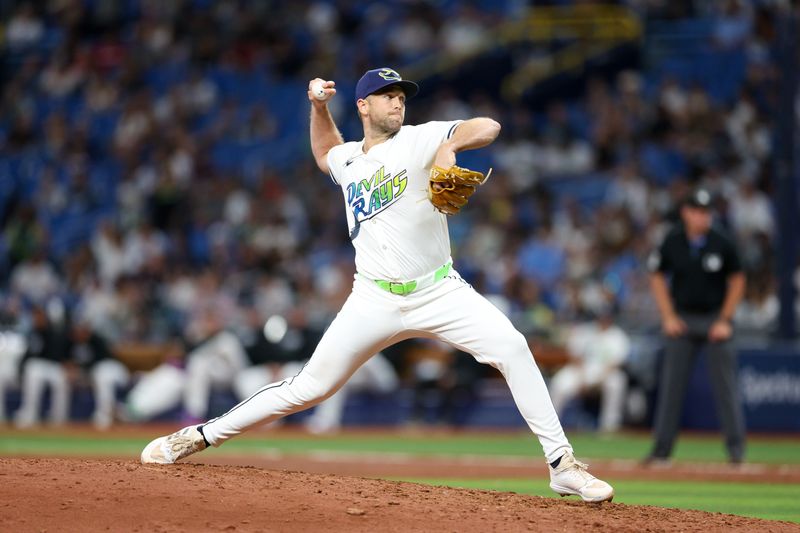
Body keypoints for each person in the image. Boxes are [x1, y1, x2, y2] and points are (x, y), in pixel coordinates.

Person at [141, 67, 614, 503]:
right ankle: (197, 436)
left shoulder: (420, 138)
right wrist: (319, 107)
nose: (397, 103)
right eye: (386, 96)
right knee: (308, 387)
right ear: (363, 106)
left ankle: (561, 464)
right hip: (372, 297)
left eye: (401, 96)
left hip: (439, 291)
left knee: (512, 346)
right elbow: (325, 154)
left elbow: (487, 126)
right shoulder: (349, 158)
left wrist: (451, 148)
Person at [644, 187, 747, 464]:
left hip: (715, 318)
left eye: (707, 212)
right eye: (698, 211)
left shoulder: (722, 241)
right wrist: (667, 316)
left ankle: (736, 453)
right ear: (686, 213)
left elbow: (737, 279)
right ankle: (661, 451)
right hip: (683, 318)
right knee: (671, 387)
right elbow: (656, 275)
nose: (703, 217)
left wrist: (725, 319)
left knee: (726, 386)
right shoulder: (673, 240)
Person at [548, 307, 630, 433]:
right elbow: (575, 357)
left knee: (617, 381)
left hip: (605, 373)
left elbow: (616, 363)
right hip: (582, 372)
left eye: (606, 317)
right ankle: (549, 427)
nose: (603, 319)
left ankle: (609, 426)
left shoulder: (617, 336)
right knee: (559, 382)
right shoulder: (585, 331)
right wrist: (582, 379)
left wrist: (598, 381)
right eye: (601, 316)